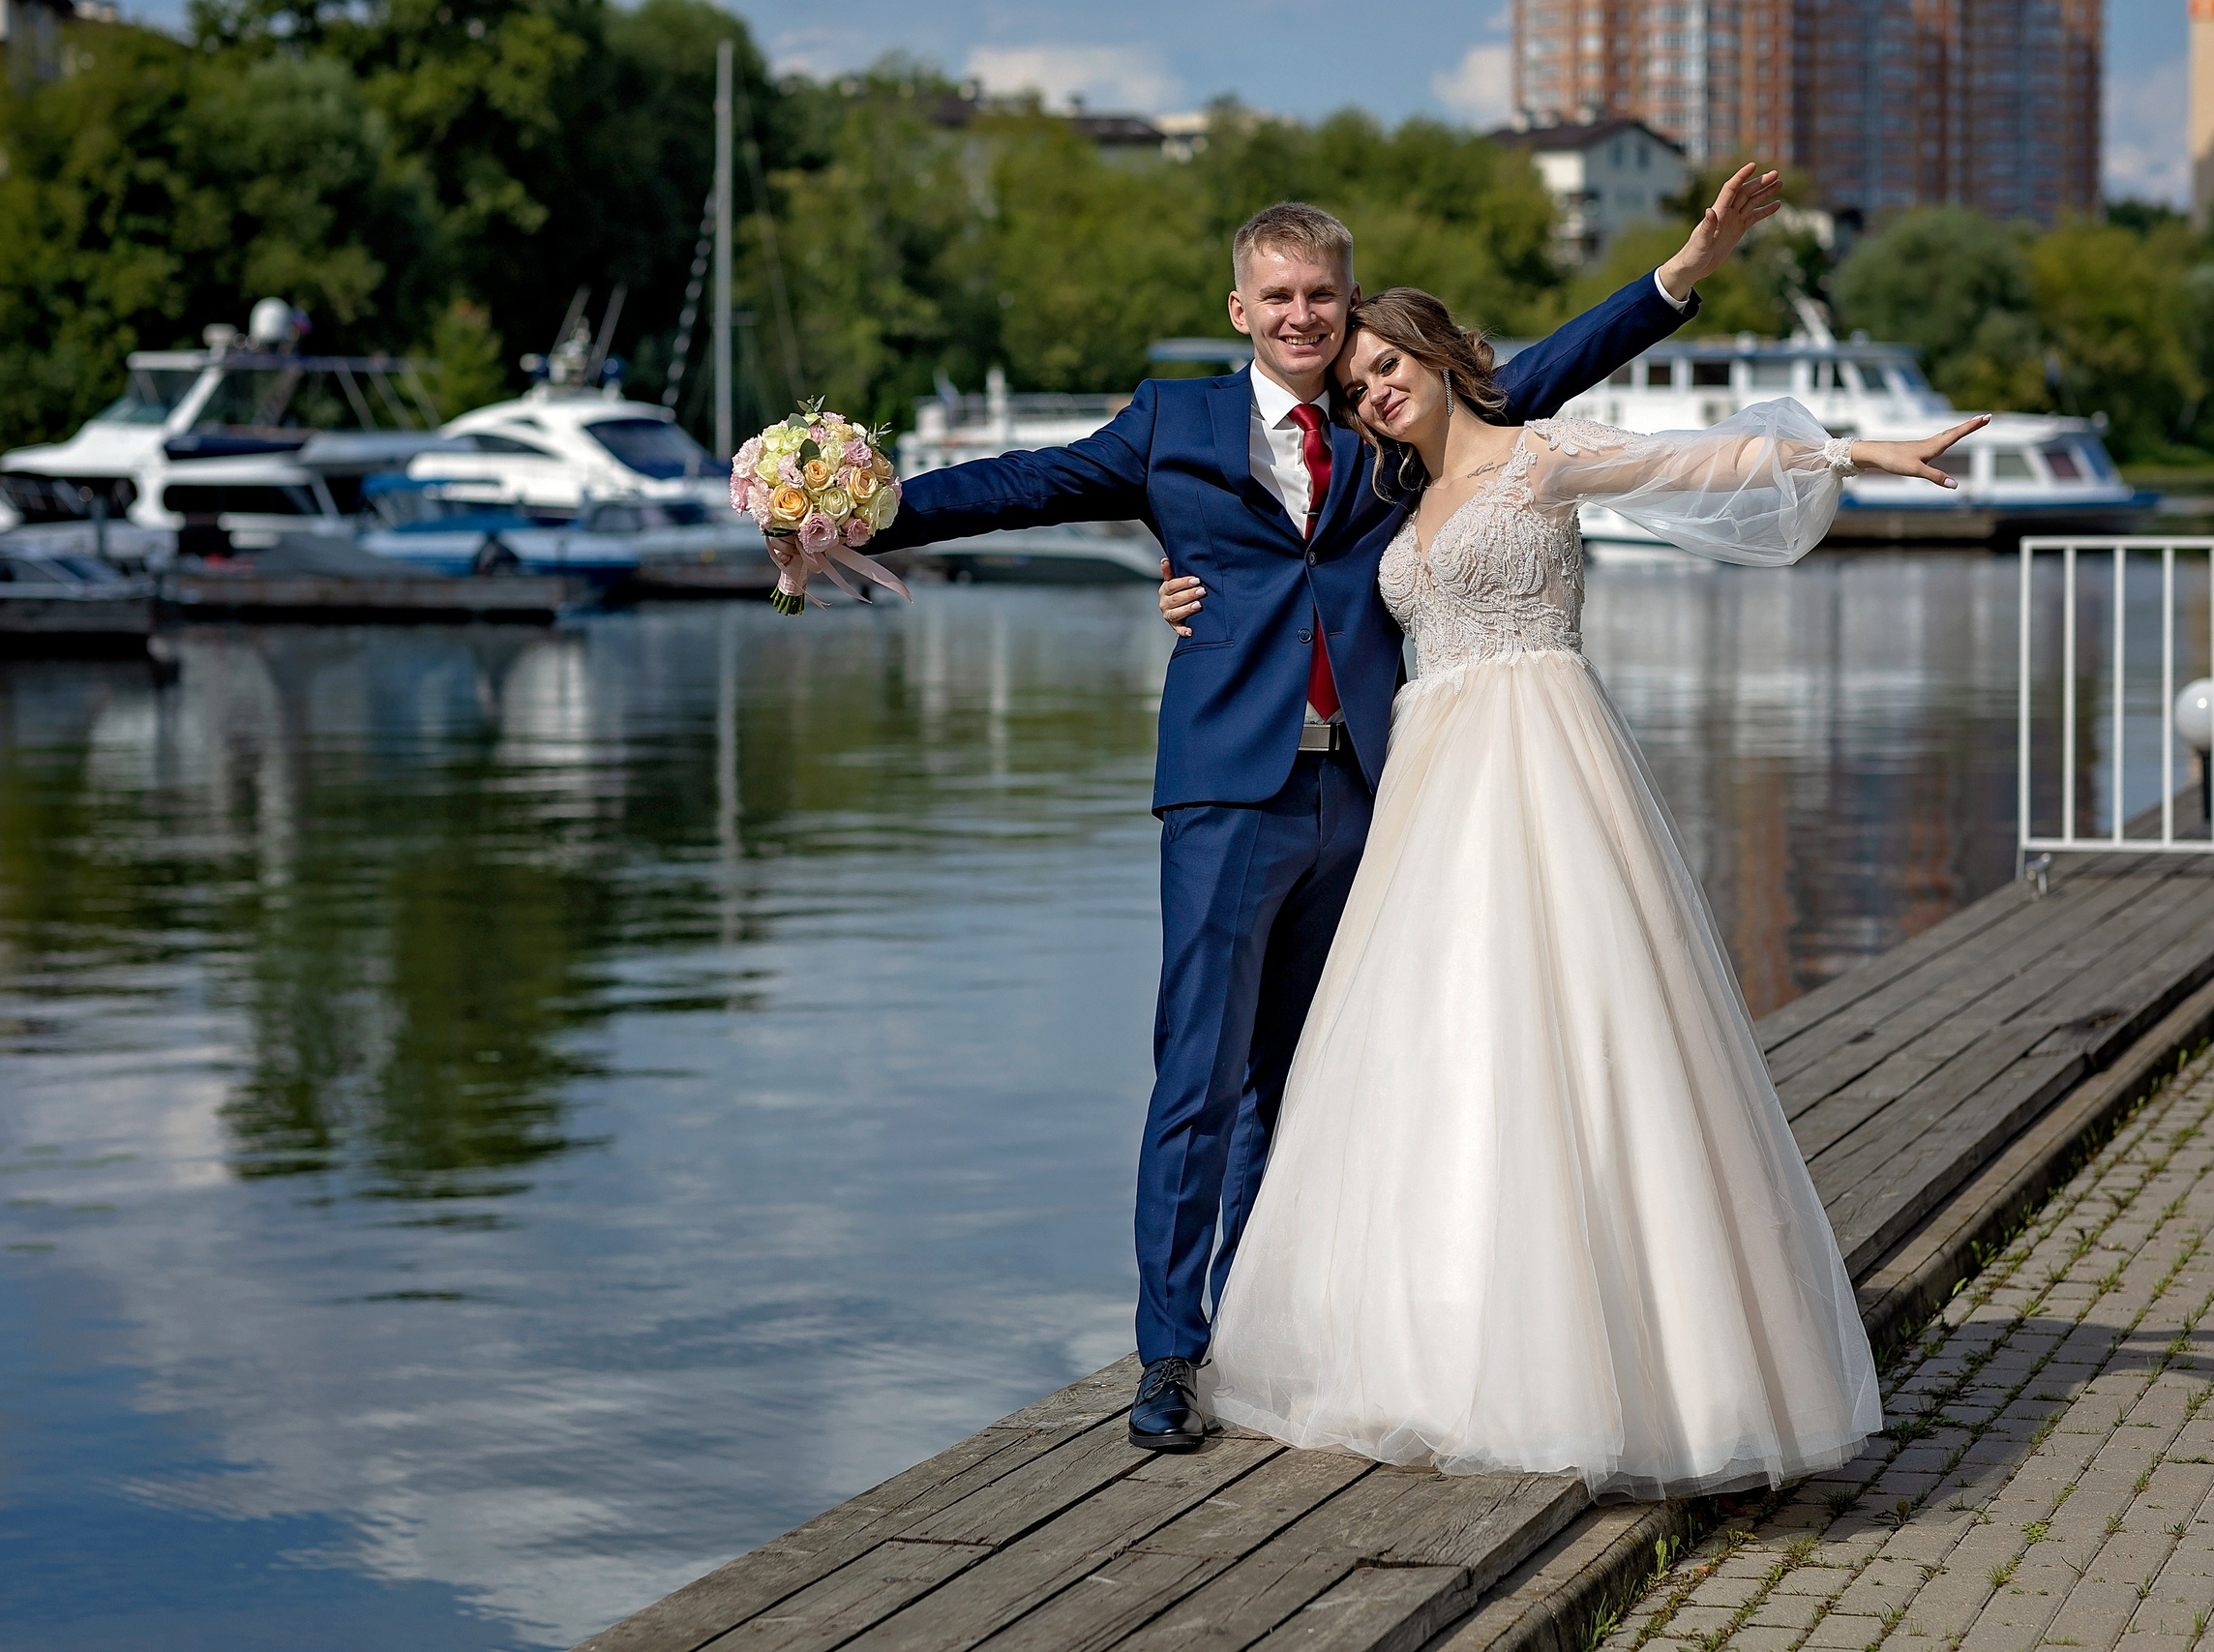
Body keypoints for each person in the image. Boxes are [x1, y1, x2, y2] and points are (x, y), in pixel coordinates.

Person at [764, 171, 1786, 1453]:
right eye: (1282, 296)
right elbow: (1014, 487)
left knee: (1306, 1082)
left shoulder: (1388, 423)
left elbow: (1539, 379)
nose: (1305, 315)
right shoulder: (1171, 423)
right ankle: (1169, 1351)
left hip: (1371, 791)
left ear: (1347, 303)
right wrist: (836, 507)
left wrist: (1679, 273)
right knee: (1195, 1074)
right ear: (1240, 306)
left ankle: (1259, 1325)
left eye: (1324, 294)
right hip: (1226, 788)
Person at [1155, 285, 1984, 1493]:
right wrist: (1180, 591)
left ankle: (1621, 1366)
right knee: (1434, 1051)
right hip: (1428, 788)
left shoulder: (1541, 457)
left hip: (1542, 763)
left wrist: (1859, 449)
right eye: (1360, 380)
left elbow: (1693, 459)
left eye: (1393, 364)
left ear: (1445, 359)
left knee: (1581, 1035)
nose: (1376, 387)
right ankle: (1425, 1343)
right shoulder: (1391, 497)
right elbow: (1268, 573)